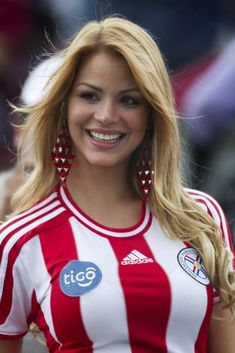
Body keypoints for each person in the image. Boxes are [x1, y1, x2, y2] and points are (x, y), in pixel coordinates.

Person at [0, 17, 234, 353]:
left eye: (129, 100)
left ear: (152, 114)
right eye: (90, 96)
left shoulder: (201, 217)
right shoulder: (20, 239)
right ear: (65, 107)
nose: (107, 115)